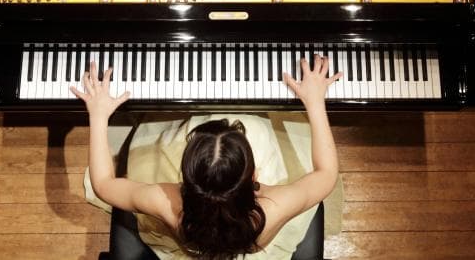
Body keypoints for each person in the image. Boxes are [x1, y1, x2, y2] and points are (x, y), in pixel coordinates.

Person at [70, 54, 341, 259]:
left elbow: (104, 184)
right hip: (244, 244)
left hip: (198, 244)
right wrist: (315, 101)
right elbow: (326, 174)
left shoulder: (170, 204)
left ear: (185, 176)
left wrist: (98, 114)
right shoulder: (272, 208)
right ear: (254, 175)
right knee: (261, 131)